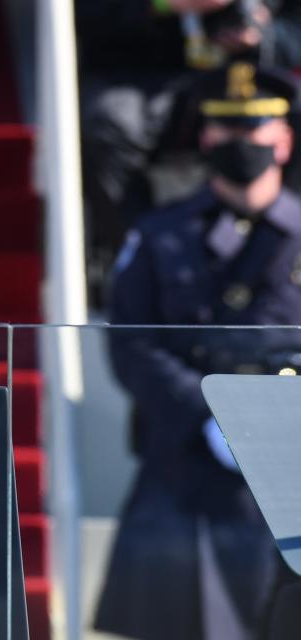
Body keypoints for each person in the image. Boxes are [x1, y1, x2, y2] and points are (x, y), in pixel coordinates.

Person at [95, 62, 301, 640]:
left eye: (255, 130)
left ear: (283, 139)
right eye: (228, 131)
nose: (242, 145)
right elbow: (133, 343)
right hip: (186, 462)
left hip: (293, 470)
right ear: (208, 138)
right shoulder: (159, 235)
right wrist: (211, 417)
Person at [76, 0, 301, 302]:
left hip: (257, 78)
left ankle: (286, 254)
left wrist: (264, 32)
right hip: (152, 78)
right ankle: (151, 263)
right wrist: (164, 5)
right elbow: (85, 16)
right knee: (105, 123)